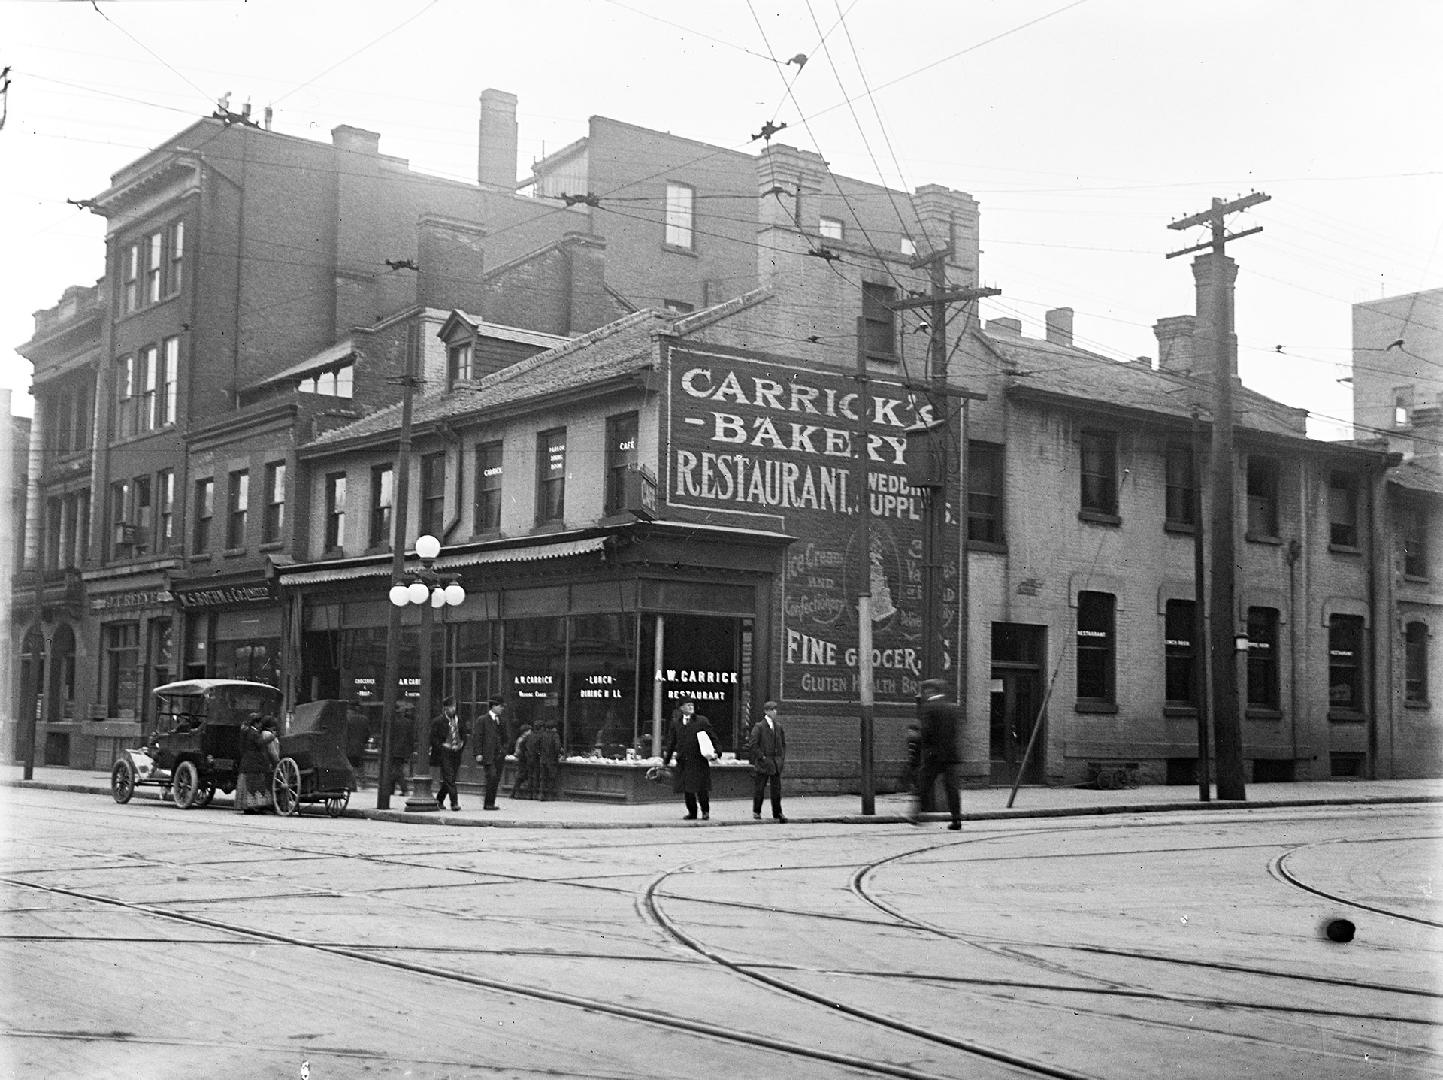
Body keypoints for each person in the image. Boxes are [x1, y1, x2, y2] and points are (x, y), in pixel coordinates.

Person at [914, 678, 962, 830]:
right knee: (952, 788)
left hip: (934, 755)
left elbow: (926, 731)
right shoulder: (952, 708)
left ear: (930, 691)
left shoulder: (929, 708)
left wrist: (925, 747)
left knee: (924, 783)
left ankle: (917, 814)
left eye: (926, 691)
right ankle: (956, 819)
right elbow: (955, 731)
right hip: (950, 754)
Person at [661, 697, 715, 820]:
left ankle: (705, 811)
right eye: (687, 705)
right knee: (687, 789)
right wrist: (666, 761)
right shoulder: (676, 723)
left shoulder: (701, 721)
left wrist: (717, 751)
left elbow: (712, 736)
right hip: (684, 761)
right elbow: (671, 743)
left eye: (692, 705)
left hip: (699, 760)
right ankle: (692, 812)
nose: (691, 707)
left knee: (701, 788)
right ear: (681, 708)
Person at [747, 699, 788, 823]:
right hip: (764, 762)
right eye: (771, 709)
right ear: (766, 711)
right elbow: (753, 744)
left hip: (775, 763)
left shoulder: (778, 727)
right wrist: (762, 757)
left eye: (775, 709)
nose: (774, 712)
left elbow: (783, 744)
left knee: (776, 790)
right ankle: (757, 811)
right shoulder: (759, 726)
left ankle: (777, 813)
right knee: (760, 788)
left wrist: (781, 758)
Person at [429, 696, 469, 811]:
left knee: (450, 778)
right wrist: (442, 745)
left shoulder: (459, 720)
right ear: (445, 709)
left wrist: (461, 744)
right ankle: (454, 802)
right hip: (444, 753)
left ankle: (440, 799)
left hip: (456, 752)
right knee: (449, 776)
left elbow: (464, 735)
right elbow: (432, 737)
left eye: (454, 707)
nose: (452, 709)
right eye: (450, 707)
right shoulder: (438, 721)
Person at [235, 712, 279, 814]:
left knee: (249, 784)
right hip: (253, 762)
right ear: (256, 723)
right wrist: (272, 737)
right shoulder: (253, 733)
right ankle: (253, 807)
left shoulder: (246, 731)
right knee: (255, 784)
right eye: (259, 723)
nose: (260, 726)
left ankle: (248, 807)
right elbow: (260, 742)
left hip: (247, 761)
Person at [473, 697, 507, 811]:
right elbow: (477, 737)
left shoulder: (502, 720)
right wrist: (478, 753)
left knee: (496, 779)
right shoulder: (482, 720)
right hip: (488, 755)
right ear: (493, 706)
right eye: (500, 706)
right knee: (491, 776)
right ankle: (488, 803)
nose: (502, 708)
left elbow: (506, 737)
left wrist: (504, 750)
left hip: (499, 755)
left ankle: (491, 802)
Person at [386, 705, 415, 798]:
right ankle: (391, 789)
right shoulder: (409, 723)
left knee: (396, 771)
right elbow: (411, 738)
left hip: (393, 750)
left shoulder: (393, 722)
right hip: (403, 751)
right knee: (396, 769)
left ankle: (404, 789)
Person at [534, 720, 563, 801]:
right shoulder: (555, 735)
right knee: (551, 777)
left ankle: (541, 795)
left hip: (543, 759)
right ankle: (550, 795)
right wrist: (557, 754)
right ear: (553, 728)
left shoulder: (542, 735)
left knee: (543, 778)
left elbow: (536, 745)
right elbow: (557, 747)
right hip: (552, 760)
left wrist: (540, 753)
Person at [510, 723, 534, 799]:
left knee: (521, 777)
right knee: (521, 777)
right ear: (525, 731)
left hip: (522, 760)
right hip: (522, 760)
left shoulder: (521, 739)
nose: (531, 732)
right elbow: (518, 751)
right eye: (530, 730)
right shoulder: (522, 740)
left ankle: (515, 793)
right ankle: (514, 793)